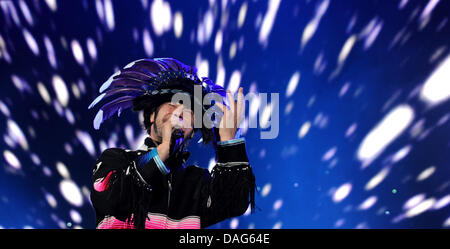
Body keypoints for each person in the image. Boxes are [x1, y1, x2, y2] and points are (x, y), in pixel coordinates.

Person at [88, 58, 255, 229]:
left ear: (193, 129)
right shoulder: (116, 160)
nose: (180, 111)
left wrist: (229, 142)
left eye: (190, 110)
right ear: (152, 116)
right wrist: (161, 153)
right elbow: (110, 200)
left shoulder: (197, 182)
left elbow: (233, 203)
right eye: (172, 104)